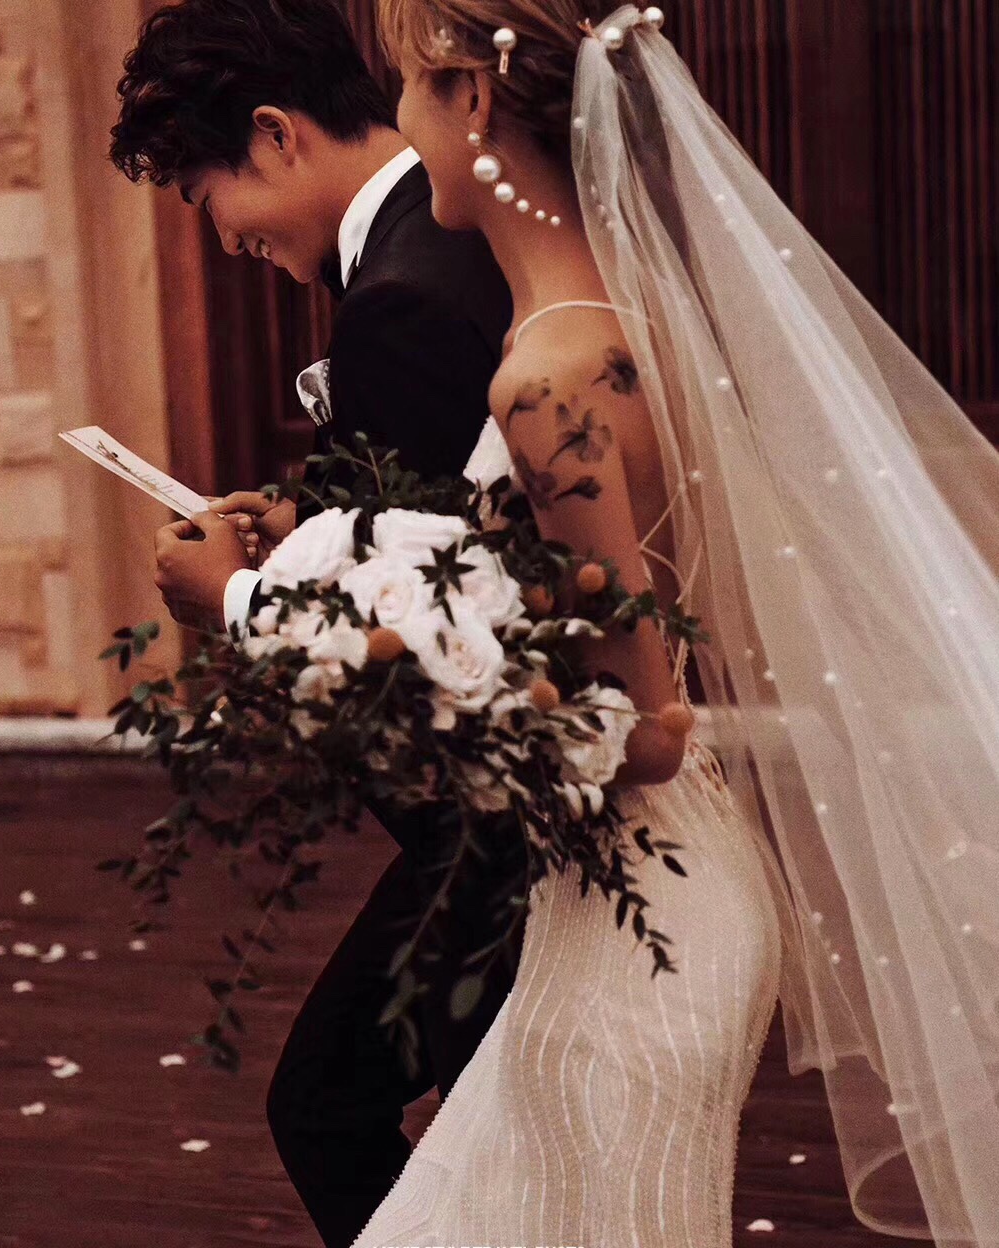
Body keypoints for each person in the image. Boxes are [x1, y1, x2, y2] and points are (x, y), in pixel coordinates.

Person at [339, 2, 999, 1246]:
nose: (403, 127)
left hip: (644, 913)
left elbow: (643, 728)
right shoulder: (621, 334)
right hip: (630, 901)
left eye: (410, 89)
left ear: (471, 100)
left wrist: (404, 690)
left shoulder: (551, 380)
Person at [108, 4, 524, 1247]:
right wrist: (307, 519)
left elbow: (431, 617)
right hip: (509, 812)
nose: (224, 238)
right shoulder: (434, 247)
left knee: (330, 1108)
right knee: (480, 1127)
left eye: (206, 196)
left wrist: (232, 600)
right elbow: (456, 511)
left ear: (276, 134)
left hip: (490, 834)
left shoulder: (406, 291)